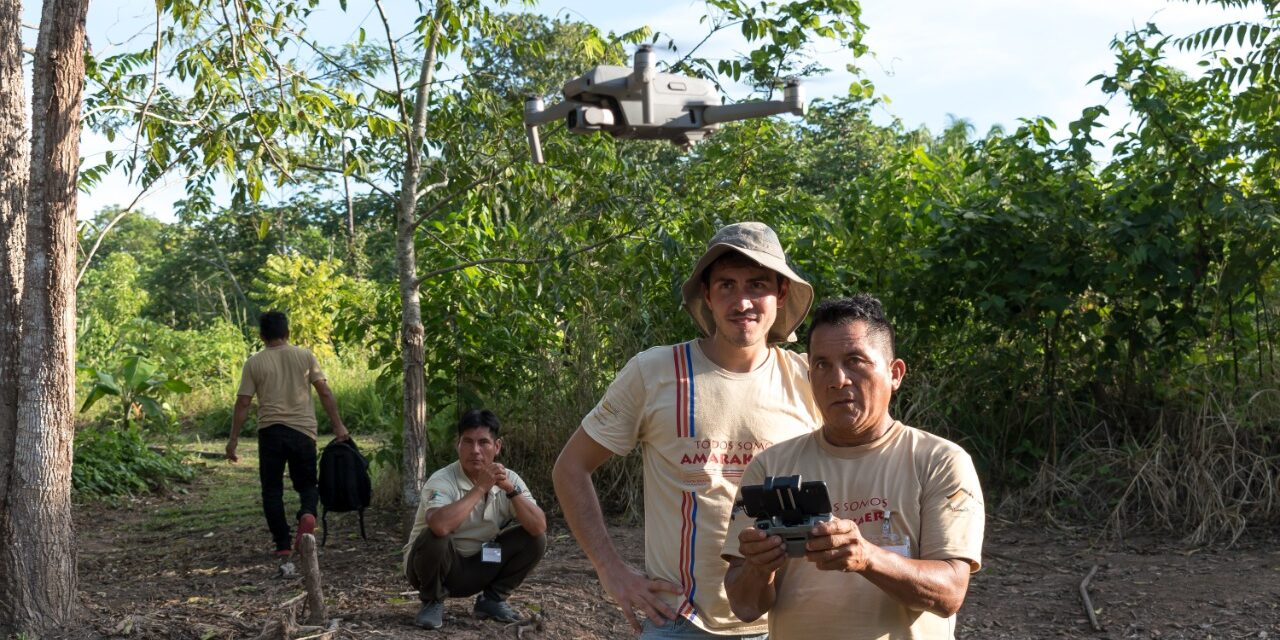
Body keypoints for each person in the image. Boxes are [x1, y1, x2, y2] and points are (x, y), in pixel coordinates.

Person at [553, 222, 822, 638]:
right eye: (727, 286)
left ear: (781, 294)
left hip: (785, 619)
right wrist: (611, 571)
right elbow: (571, 468)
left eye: (757, 285)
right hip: (680, 619)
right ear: (708, 296)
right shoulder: (655, 372)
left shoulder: (808, 379)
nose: (742, 301)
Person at [723, 295, 985, 640]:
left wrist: (867, 559)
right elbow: (744, 607)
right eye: (821, 365)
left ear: (895, 374)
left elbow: (949, 592)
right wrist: (759, 568)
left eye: (855, 361)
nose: (838, 380)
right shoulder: (770, 468)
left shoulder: (938, 461)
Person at [404, 409, 548, 630]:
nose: (475, 451)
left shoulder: (509, 479)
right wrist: (481, 487)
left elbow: (539, 526)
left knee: (535, 539)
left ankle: (492, 600)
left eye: (483, 443)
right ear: (458, 445)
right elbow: (440, 525)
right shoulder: (442, 479)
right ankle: (432, 601)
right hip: (433, 568)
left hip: (479, 566)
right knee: (436, 536)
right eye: (468, 442)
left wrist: (511, 491)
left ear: (497, 446)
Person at [227, 311, 350, 561]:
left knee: (272, 490)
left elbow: (243, 402)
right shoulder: (304, 356)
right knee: (307, 484)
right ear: (288, 333)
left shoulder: (254, 362)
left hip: (270, 432)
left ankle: (282, 543)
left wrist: (233, 440)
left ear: (262, 336)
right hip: (303, 432)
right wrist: (338, 425)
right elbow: (324, 392)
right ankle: (307, 513)